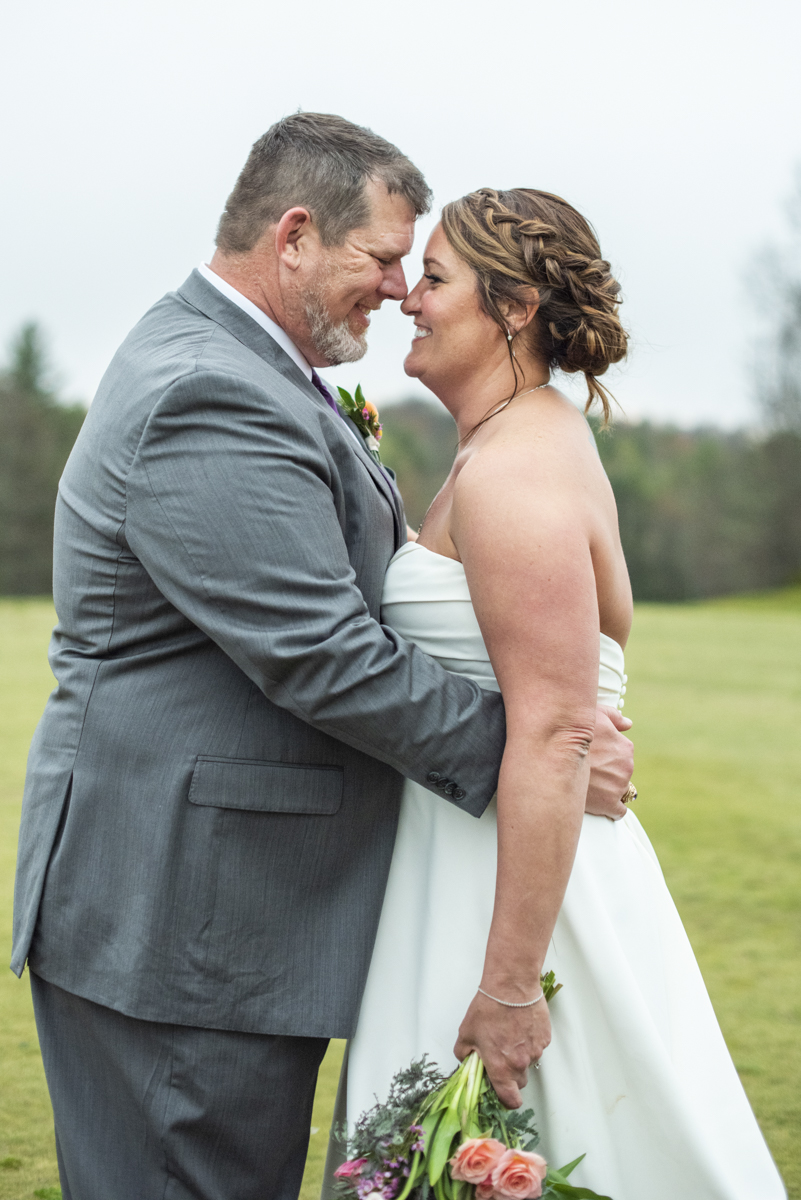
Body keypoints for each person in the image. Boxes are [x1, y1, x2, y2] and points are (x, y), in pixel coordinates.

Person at [11, 118, 634, 1200]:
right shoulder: (209, 389)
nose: (398, 289)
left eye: (416, 268)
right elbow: (322, 654)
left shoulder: (262, 372)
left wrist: (554, 742)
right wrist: (535, 747)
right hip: (182, 923)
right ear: (296, 234)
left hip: (228, 918)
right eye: (386, 257)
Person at [326, 188, 787, 1199]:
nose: (408, 296)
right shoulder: (504, 446)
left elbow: (554, 730)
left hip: (523, 903)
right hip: (477, 864)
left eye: (436, 277)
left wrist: (507, 989)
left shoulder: (518, 469)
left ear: (516, 307)